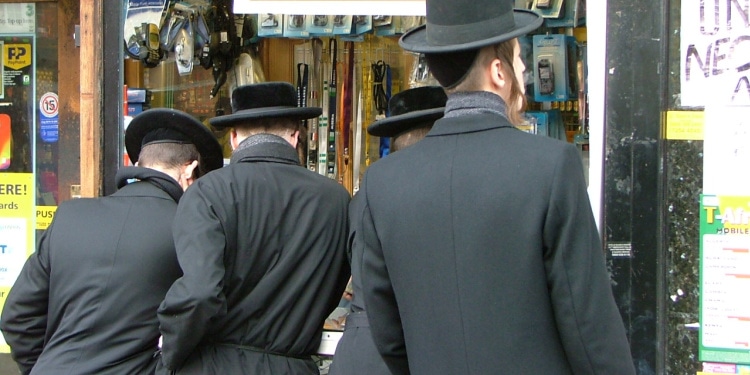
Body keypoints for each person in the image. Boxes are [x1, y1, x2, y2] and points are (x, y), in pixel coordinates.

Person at [357, 1, 637, 374]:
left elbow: (388, 334)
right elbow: (589, 329)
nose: (525, 71)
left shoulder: (383, 183)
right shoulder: (550, 167)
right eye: (520, 60)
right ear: (499, 73)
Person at [0, 108, 223, 375]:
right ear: (191, 171)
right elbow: (200, 305)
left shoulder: (69, 216)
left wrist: (46, 367)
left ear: (139, 163)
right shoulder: (189, 227)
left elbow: (17, 317)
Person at [155, 82, 351, 374]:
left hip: (215, 366)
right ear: (296, 137)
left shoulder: (207, 193)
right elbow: (336, 285)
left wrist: (170, 356)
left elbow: (199, 293)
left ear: (233, 138)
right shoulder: (337, 200)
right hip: (293, 366)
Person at [329, 85, 447, 375]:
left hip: (362, 354)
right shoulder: (451, 193)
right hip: (422, 347)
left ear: (394, 142)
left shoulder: (364, 197)